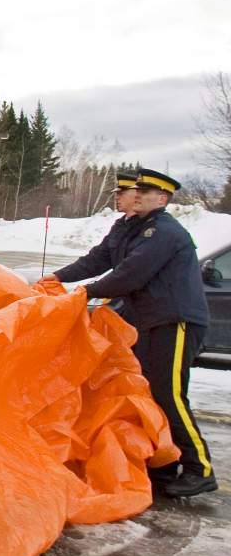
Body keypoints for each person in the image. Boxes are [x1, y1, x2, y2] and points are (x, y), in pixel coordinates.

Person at [62, 169, 216, 498]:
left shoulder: (163, 232)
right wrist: (57, 277)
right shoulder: (127, 228)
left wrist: (85, 293)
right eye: (134, 191)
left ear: (160, 199)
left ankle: (198, 468)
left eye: (137, 192)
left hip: (174, 321)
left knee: (168, 393)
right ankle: (163, 464)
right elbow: (97, 259)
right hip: (147, 322)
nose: (127, 196)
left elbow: (130, 274)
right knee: (146, 393)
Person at [37, 172, 141, 289]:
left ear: (138, 193)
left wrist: (89, 291)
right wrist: (59, 276)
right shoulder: (121, 226)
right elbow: (96, 260)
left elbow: (128, 272)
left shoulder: (149, 227)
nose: (116, 197)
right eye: (116, 193)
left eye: (121, 193)